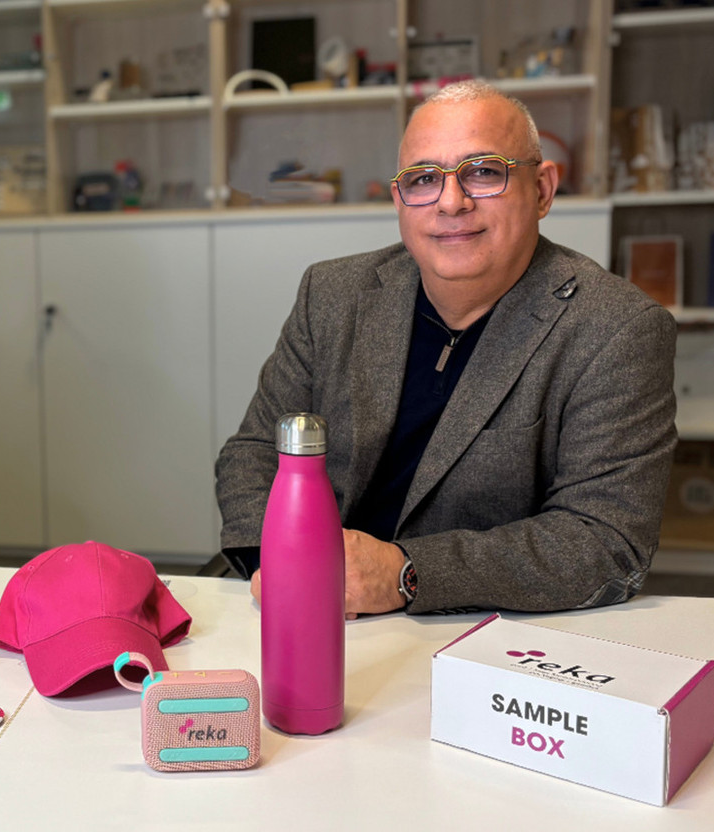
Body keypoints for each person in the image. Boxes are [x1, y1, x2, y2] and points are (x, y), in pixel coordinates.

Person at [215, 80, 676, 616]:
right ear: (399, 201)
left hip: (476, 632)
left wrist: (408, 575)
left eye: (484, 172)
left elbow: (605, 539)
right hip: (300, 605)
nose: (451, 203)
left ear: (543, 190)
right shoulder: (332, 295)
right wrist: (275, 566)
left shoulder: (617, 329)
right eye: (424, 179)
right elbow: (253, 453)